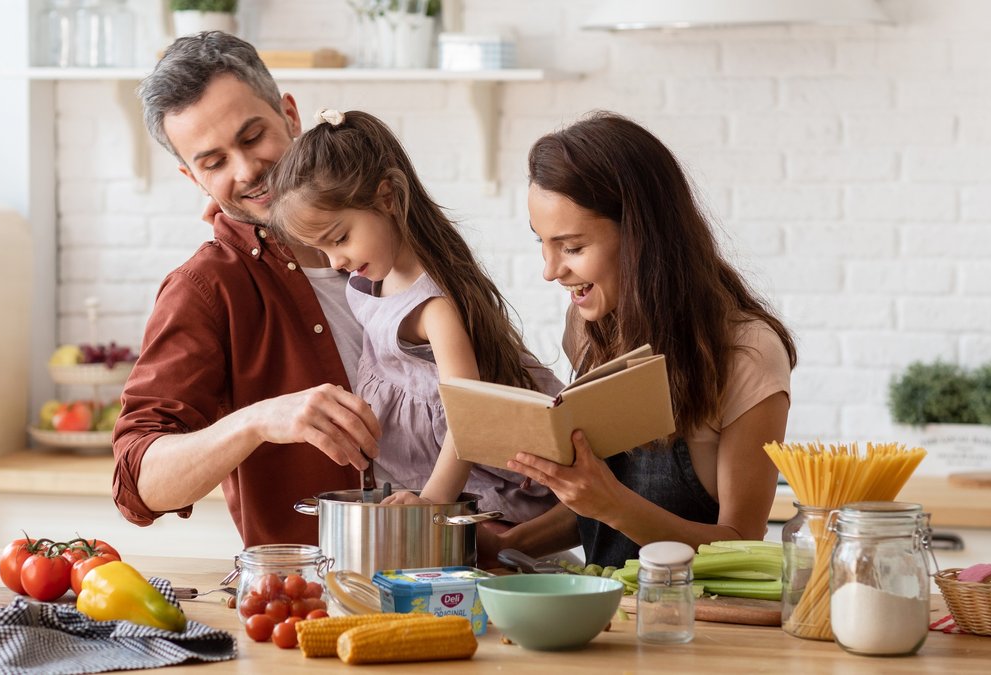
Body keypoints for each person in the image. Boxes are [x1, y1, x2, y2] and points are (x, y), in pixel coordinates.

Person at [111, 32, 383, 547]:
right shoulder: (206, 288)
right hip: (320, 596)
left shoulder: (391, 226)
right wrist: (257, 420)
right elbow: (138, 482)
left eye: (253, 136)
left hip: (470, 568)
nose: (247, 170)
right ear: (193, 178)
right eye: (213, 163)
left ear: (290, 115)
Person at [491, 111, 797, 568]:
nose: (550, 271)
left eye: (572, 248)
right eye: (543, 242)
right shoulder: (592, 326)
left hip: (698, 626)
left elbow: (743, 544)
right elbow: (595, 508)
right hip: (607, 615)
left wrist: (610, 503)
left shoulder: (747, 355)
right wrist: (501, 546)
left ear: (641, 238)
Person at [264, 108, 561, 524]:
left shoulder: (433, 307)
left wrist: (434, 503)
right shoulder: (375, 280)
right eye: (323, 249)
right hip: (420, 483)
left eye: (341, 238)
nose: (336, 261)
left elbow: (468, 417)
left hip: (471, 493)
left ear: (387, 198)